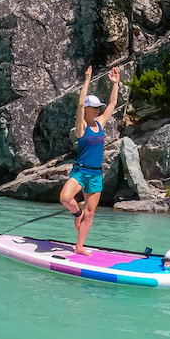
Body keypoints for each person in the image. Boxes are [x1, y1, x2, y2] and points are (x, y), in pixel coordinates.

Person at [59, 65, 119, 256]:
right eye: (95, 108)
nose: (98, 110)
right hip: (81, 171)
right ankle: (76, 213)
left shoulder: (100, 123)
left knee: (91, 213)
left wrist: (115, 84)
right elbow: (78, 105)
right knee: (65, 198)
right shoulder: (81, 127)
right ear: (88, 109)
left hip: (95, 174)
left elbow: (112, 104)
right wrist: (86, 80)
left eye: (98, 108)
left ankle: (79, 246)